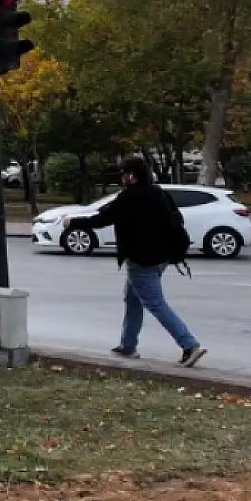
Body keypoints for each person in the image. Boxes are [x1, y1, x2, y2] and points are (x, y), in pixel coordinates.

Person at [62, 155, 207, 366]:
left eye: (123, 174)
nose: (121, 178)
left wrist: (73, 222)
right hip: (161, 257)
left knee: (155, 303)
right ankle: (127, 346)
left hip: (141, 260)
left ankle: (189, 345)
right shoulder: (158, 193)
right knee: (132, 299)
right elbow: (176, 219)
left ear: (132, 176)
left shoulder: (129, 198)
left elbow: (102, 219)